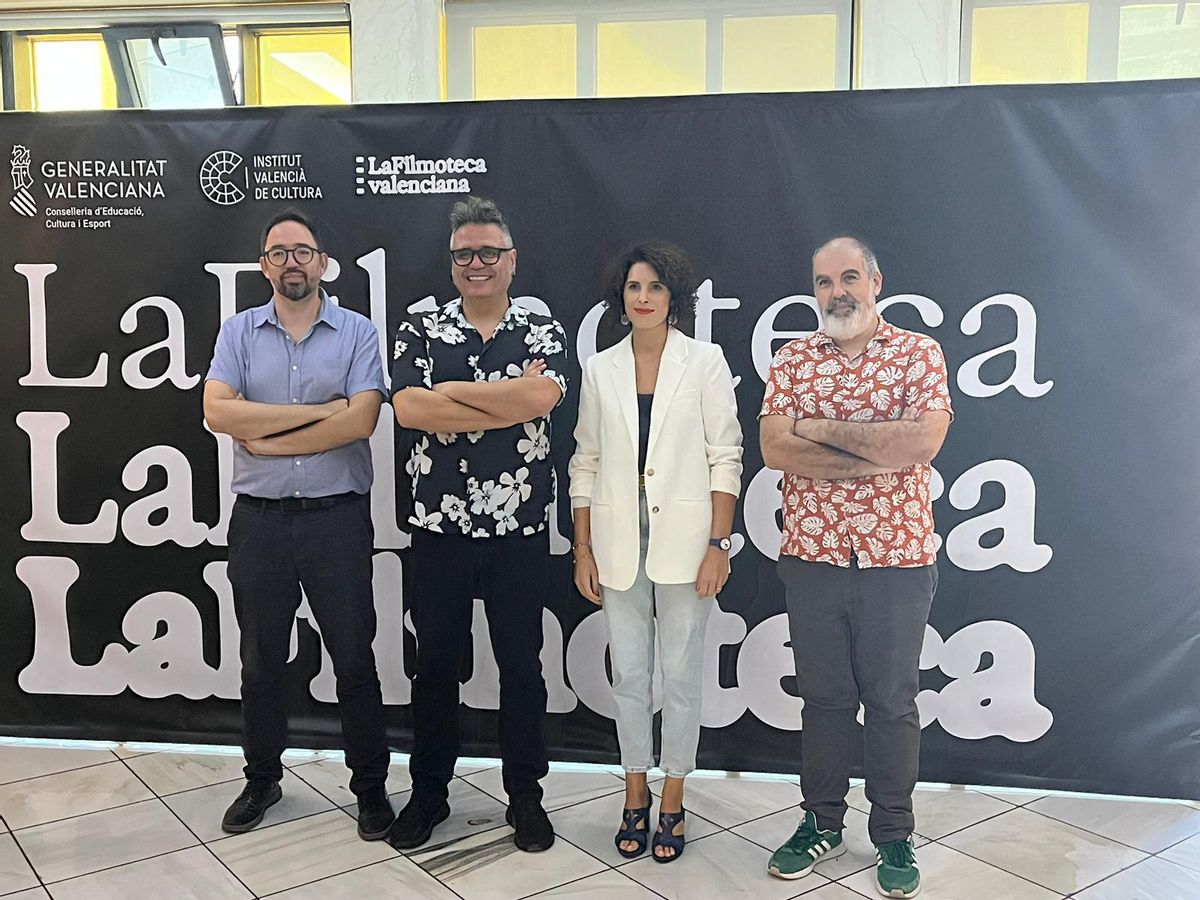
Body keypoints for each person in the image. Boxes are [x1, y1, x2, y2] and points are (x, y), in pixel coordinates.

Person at [759, 236, 952, 898]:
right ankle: (820, 822)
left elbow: (922, 440)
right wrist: (876, 448)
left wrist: (817, 428)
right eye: (822, 281)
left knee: (893, 703)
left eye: (848, 277)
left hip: (896, 559)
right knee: (824, 701)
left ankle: (894, 835)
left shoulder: (917, 353)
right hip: (812, 558)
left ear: (875, 281)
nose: (836, 291)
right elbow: (775, 449)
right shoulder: (792, 359)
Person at [203, 209, 394, 840]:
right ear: (264, 265)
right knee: (260, 663)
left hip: (337, 521)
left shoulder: (358, 332)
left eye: (303, 251)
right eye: (279, 252)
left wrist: (264, 433)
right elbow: (215, 412)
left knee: (354, 660)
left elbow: (361, 421)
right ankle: (262, 781)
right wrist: (319, 419)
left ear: (323, 263)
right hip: (258, 524)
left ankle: (369, 789)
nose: (292, 261)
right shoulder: (237, 332)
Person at [389, 196, 568, 852]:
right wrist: (505, 400)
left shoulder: (543, 328)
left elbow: (543, 398)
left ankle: (526, 796)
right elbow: (409, 409)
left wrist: (453, 395)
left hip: (518, 530)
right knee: (435, 665)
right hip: (438, 528)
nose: (477, 263)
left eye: (489, 251)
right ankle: (430, 793)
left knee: (522, 666)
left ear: (512, 260)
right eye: (465, 253)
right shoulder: (421, 326)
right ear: (452, 261)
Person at [569, 242, 743, 862]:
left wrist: (719, 543)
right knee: (632, 676)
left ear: (675, 297)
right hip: (617, 543)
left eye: (655, 288)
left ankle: (673, 798)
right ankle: (633, 793)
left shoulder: (705, 362)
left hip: (687, 542)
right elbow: (584, 461)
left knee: (681, 673)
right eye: (634, 287)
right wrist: (582, 547)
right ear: (621, 297)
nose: (643, 298)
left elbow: (726, 455)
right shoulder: (600, 368)